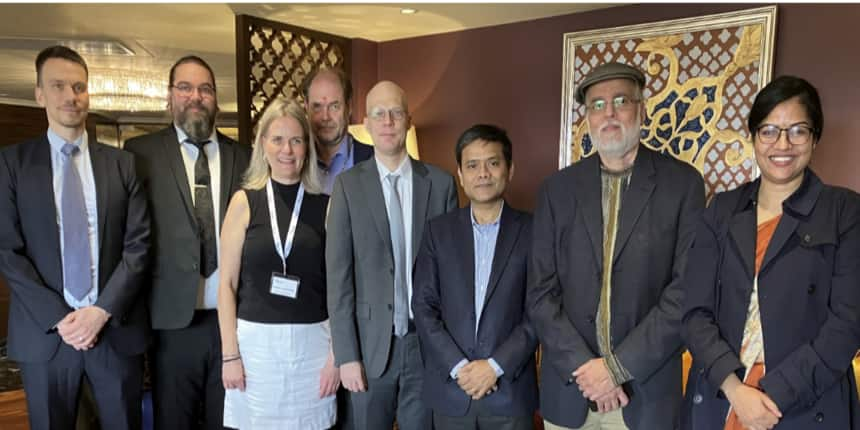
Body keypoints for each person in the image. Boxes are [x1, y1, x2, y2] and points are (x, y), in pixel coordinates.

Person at [527, 62, 705, 430]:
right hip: (571, 391)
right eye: (596, 104)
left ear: (642, 110)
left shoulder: (682, 185)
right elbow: (540, 294)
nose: (608, 113)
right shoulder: (556, 191)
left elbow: (687, 289)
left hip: (647, 394)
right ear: (587, 119)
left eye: (620, 101)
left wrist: (616, 369)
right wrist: (588, 371)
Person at [681, 76, 860, 430]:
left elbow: (847, 324)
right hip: (720, 398)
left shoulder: (844, 212)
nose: (783, 143)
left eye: (797, 130)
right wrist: (736, 390)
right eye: (769, 131)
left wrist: (770, 394)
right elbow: (694, 313)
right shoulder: (722, 210)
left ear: (815, 137)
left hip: (807, 404)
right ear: (753, 136)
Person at [0, 45, 150, 429]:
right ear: (39, 94)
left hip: (114, 331)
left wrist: (100, 311)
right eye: (59, 86)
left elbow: (139, 246)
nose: (71, 96)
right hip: (47, 335)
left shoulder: (122, 164)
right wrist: (62, 318)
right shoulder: (12, 164)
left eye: (79, 86)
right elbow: (8, 251)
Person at [124, 55, 251, 429]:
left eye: (205, 89)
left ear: (216, 98)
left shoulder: (243, 157)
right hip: (171, 324)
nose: (196, 96)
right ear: (170, 96)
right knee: (173, 421)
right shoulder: (139, 154)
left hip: (233, 324)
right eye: (185, 87)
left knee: (227, 421)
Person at [327, 80, 458, 429]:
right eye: (378, 114)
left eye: (396, 113)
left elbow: (452, 276)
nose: (387, 121)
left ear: (408, 120)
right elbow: (338, 281)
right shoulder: (348, 186)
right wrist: (347, 356)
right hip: (369, 352)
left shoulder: (441, 185)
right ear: (366, 124)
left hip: (425, 348)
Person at [217, 98, 339, 429]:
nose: (288, 150)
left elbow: (341, 289)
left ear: (307, 147)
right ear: (263, 145)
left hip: (314, 350)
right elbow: (226, 285)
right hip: (256, 352)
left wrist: (335, 358)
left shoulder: (328, 206)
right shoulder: (244, 202)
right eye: (278, 139)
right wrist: (230, 355)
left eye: (297, 140)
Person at [412, 124, 538, 430]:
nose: (483, 173)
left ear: (509, 170)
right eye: (472, 165)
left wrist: (495, 367)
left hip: (509, 393)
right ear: (460, 174)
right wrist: (460, 368)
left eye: (493, 163)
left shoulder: (535, 231)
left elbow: (540, 310)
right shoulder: (437, 232)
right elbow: (424, 307)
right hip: (451, 391)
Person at [303, 68, 374, 194]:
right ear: (306, 107)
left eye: (334, 106)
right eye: (317, 107)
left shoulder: (375, 161)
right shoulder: (295, 160)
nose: (325, 117)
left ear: (349, 107)